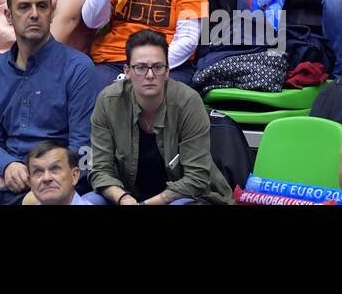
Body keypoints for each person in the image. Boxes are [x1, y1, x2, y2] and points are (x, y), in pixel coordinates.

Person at [0, 0, 102, 204]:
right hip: (7, 173)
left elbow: (84, 149)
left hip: (58, 181)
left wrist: (31, 179)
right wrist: (8, 166)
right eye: (24, 7)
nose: (34, 14)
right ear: (8, 16)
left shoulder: (79, 68)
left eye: (42, 6)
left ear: (52, 14)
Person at [88, 29, 234, 205]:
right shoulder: (108, 101)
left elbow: (197, 177)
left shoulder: (188, 101)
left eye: (157, 67)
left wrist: (149, 204)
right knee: (89, 200)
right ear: (127, 71)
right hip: (127, 196)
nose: (150, 75)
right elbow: (99, 170)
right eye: (140, 67)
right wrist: (123, 198)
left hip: (182, 196)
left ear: (167, 71)